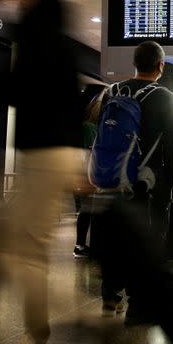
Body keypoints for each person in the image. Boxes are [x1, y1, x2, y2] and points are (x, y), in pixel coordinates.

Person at [0, 0, 83, 344]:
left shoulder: (37, 36)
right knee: (25, 250)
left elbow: (14, 85)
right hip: (55, 156)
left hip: (43, 157)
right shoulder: (58, 38)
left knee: (20, 252)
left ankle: (72, 326)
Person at [92, 41, 173, 319]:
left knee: (113, 237)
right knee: (143, 240)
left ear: (135, 63)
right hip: (146, 182)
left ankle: (110, 296)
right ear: (160, 66)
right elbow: (172, 145)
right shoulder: (165, 97)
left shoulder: (113, 92)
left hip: (111, 178)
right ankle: (137, 302)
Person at [73, 96, 101, 259]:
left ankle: (81, 245)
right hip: (88, 175)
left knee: (87, 210)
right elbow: (88, 154)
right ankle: (80, 245)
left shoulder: (85, 127)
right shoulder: (90, 129)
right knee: (88, 210)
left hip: (84, 174)